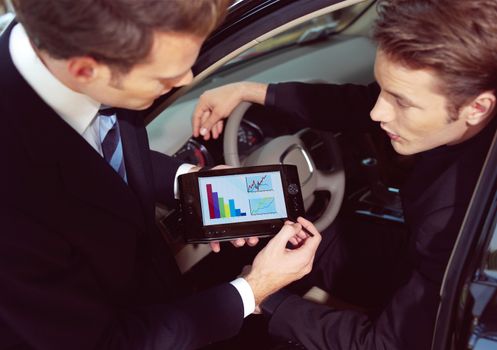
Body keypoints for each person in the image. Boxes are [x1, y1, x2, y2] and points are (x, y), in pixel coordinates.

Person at [0, 1, 322, 349]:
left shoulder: (85, 57)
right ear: (85, 70)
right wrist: (252, 289)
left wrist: (187, 180)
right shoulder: (13, 203)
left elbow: (101, 156)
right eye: (164, 78)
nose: (184, 81)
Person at [191, 0, 497, 348]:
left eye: (402, 102)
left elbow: (385, 344)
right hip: (410, 257)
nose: (379, 111)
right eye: (382, 88)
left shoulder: (459, 216)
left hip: (431, 301)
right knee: (301, 230)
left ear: (477, 108)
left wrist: (264, 297)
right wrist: (250, 91)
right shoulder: (467, 119)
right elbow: (356, 105)